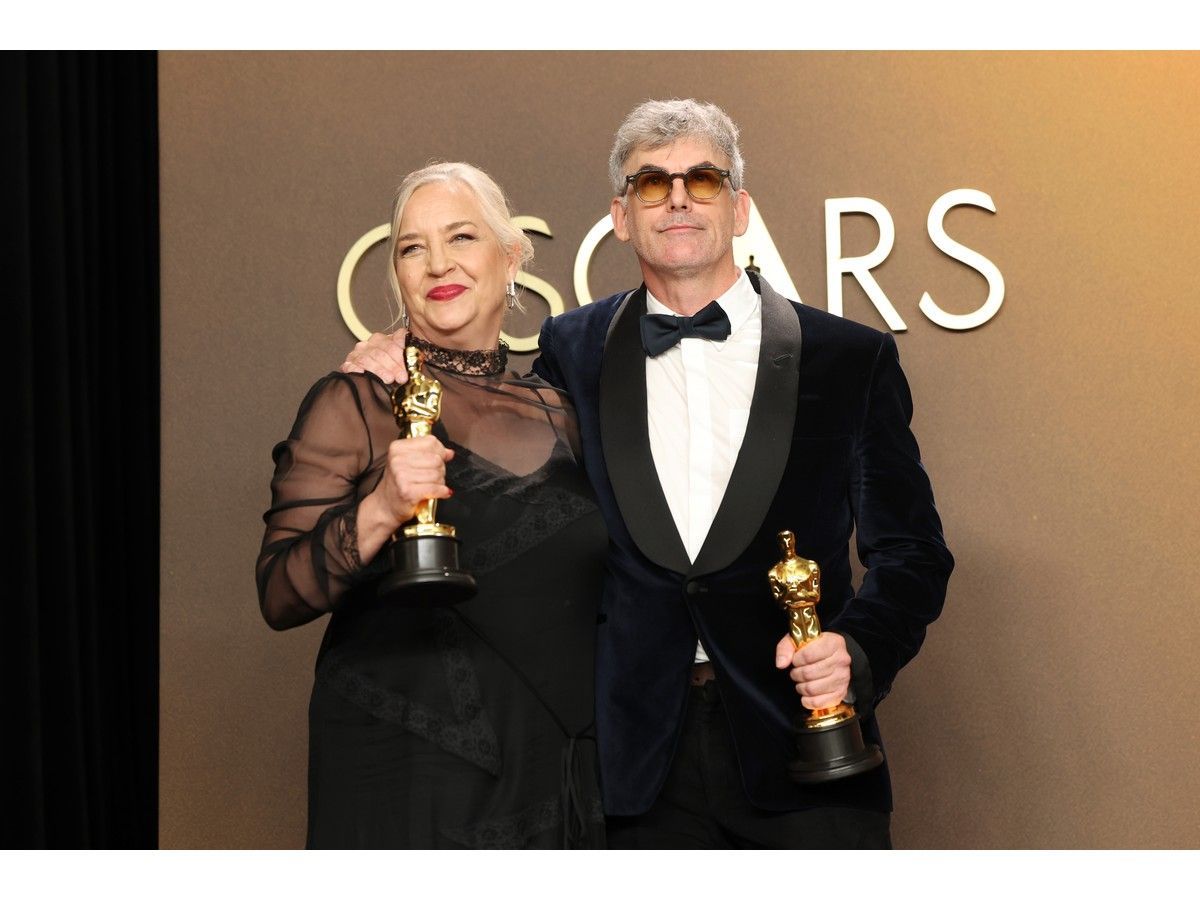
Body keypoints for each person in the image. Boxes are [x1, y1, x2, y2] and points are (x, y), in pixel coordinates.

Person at [343, 100, 954, 849]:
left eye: (702, 179)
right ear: (621, 217)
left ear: (740, 208)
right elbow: (486, 423)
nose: (676, 198)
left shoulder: (850, 357)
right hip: (633, 773)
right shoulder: (572, 348)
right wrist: (400, 356)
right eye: (650, 183)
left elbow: (914, 553)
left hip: (809, 753)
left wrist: (855, 653)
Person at [257, 162, 606, 849]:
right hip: (406, 775)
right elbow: (278, 592)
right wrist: (382, 507)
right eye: (412, 247)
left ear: (512, 258)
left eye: (462, 238)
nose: (437, 263)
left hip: (554, 769)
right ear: (397, 276)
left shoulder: (564, 408)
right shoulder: (357, 399)